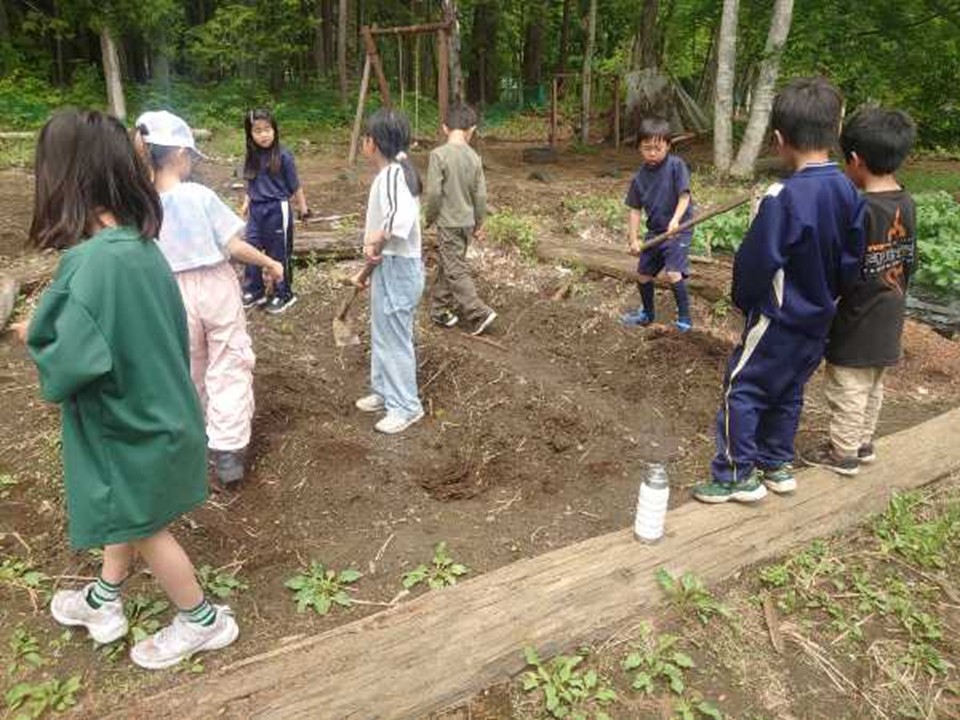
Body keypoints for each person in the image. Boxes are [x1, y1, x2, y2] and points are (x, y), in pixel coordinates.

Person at [13, 109, 238, 669]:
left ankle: (201, 619)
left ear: (65, 179)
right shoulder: (139, 245)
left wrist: (31, 334)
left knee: (143, 524)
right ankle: (104, 600)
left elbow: (71, 360)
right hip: (161, 411)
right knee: (129, 512)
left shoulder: (91, 263)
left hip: (126, 424)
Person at [693, 77, 866, 504]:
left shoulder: (783, 196)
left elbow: (756, 262)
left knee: (742, 387)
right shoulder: (849, 191)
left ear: (779, 139)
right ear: (834, 131)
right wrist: (832, 299)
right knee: (789, 389)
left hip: (778, 318)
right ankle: (776, 464)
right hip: (819, 319)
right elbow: (853, 261)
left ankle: (736, 474)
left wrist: (745, 301)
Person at [135, 110, 283, 486]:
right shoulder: (199, 196)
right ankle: (228, 450)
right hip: (215, 287)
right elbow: (234, 246)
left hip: (170, 292)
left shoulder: (141, 204)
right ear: (179, 154)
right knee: (229, 359)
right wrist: (269, 262)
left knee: (190, 363)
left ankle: (198, 432)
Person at [805, 108, 917, 476]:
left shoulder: (859, 209)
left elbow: (842, 268)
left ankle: (843, 453)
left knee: (848, 387)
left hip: (857, 318)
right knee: (873, 383)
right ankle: (863, 442)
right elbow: (910, 260)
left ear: (855, 160)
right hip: (891, 312)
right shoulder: (907, 203)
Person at [353, 108, 426, 435]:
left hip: (398, 267)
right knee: (383, 332)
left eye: (365, 137)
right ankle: (384, 391)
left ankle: (406, 406)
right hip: (389, 264)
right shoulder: (392, 174)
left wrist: (373, 240)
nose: (363, 143)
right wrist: (369, 265)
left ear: (373, 142)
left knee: (395, 338)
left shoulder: (395, 175)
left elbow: (399, 222)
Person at [424, 102, 496, 335]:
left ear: (445, 128)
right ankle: (440, 310)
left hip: (448, 222)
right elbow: (480, 195)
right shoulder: (474, 157)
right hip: (466, 223)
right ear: (471, 129)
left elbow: (434, 193)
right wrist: (479, 223)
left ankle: (478, 312)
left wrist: (429, 218)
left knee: (455, 269)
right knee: (449, 263)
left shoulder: (438, 155)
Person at [622, 117, 695, 332]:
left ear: (668, 146)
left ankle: (684, 319)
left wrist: (676, 220)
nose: (652, 153)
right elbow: (635, 210)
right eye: (647, 148)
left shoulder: (676, 166)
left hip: (678, 230)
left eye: (658, 148)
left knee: (673, 273)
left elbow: (684, 196)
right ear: (639, 148)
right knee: (643, 275)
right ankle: (647, 314)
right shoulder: (639, 178)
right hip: (655, 232)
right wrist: (633, 239)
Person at [240, 108, 310, 315]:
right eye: (258, 131)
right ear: (250, 134)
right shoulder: (251, 156)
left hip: (277, 209)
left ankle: (284, 293)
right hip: (256, 209)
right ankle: (254, 289)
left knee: (279, 252)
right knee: (250, 246)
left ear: (275, 130)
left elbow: (295, 185)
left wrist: (303, 209)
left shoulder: (283, 156)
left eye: (267, 129)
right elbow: (251, 182)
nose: (264, 135)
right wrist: (246, 201)